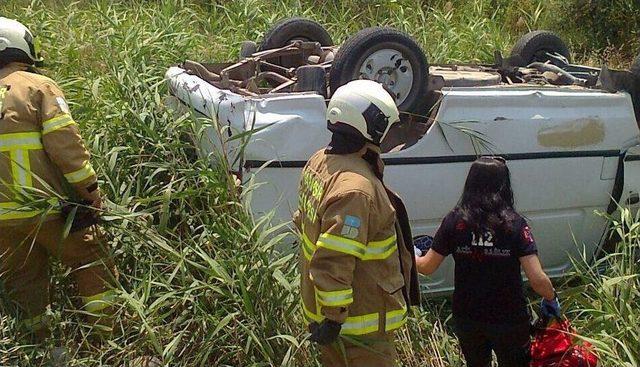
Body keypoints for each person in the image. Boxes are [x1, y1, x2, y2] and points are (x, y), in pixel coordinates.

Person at [0, 17, 117, 340]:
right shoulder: (37, 87)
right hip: (49, 209)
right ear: (21, 46)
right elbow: (66, 148)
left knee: (23, 283)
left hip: (3, 222)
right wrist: (91, 191)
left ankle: (42, 351)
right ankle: (107, 342)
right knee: (93, 262)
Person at [293, 79, 420, 367]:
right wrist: (335, 317)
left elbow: (303, 224)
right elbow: (334, 257)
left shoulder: (320, 162)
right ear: (371, 127)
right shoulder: (356, 190)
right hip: (359, 325)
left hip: (330, 317)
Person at [415, 156, 561, 367]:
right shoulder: (514, 224)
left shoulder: (453, 222)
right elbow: (537, 279)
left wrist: (412, 254)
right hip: (509, 319)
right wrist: (551, 298)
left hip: (468, 317)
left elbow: (427, 267)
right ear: (504, 185)